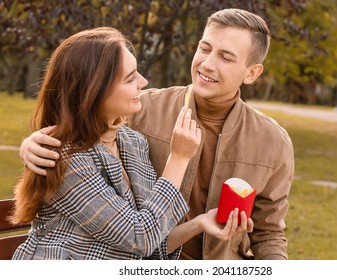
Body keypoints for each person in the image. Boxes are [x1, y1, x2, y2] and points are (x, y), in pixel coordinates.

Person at [20, 8, 294, 260]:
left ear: (252, 73)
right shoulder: (140, 109)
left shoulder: (273, 142)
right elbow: (77, 124)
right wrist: (34, 145)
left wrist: (199, 224)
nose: (207, 64)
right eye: (204, 48)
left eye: (225, 57)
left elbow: (269, 234)